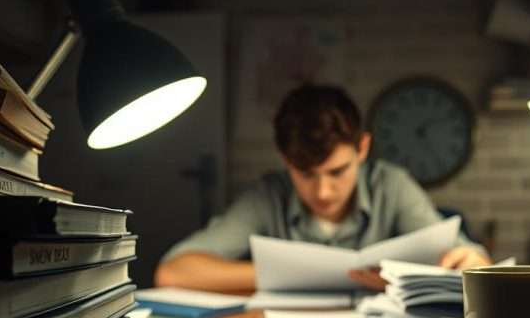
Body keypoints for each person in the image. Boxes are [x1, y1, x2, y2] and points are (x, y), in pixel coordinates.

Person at [154, 84, 491, 292]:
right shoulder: (267, 195)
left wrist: (471, 259)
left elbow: (474, 263)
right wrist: (288, 273)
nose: (324, 192)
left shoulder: (391, 184)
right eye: (305, 173)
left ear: (362, 149)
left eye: (338, 171)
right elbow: (173, 272)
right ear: (285, 160)